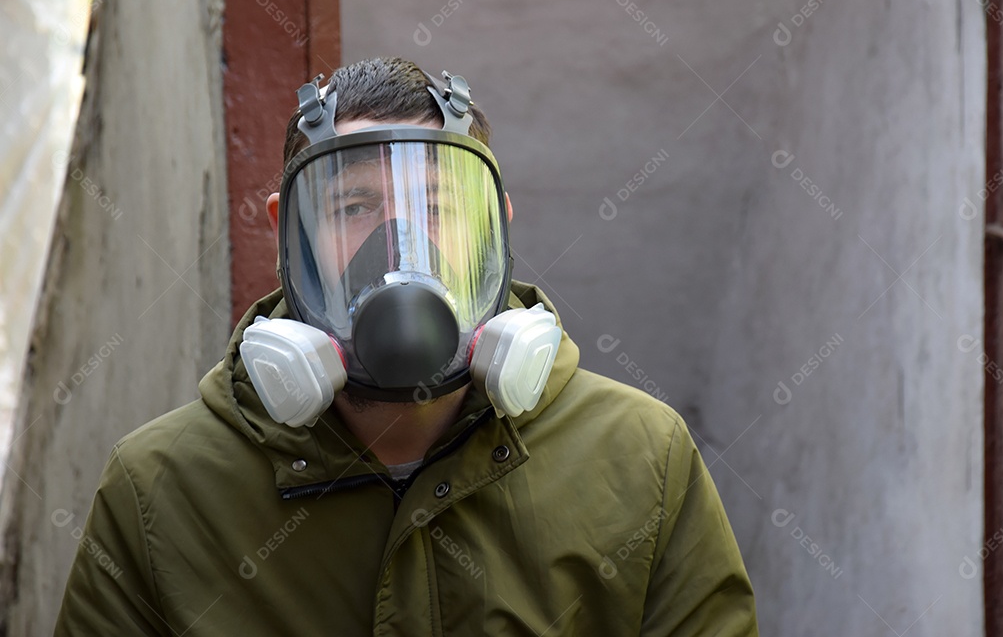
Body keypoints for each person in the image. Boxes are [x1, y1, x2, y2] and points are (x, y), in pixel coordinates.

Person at [54, 57, 758, 636]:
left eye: (438, 207)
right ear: (287, 234)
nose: (401, 246)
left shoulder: (641, 458)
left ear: (495, 227)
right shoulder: (160, 491)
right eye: (355, 206)